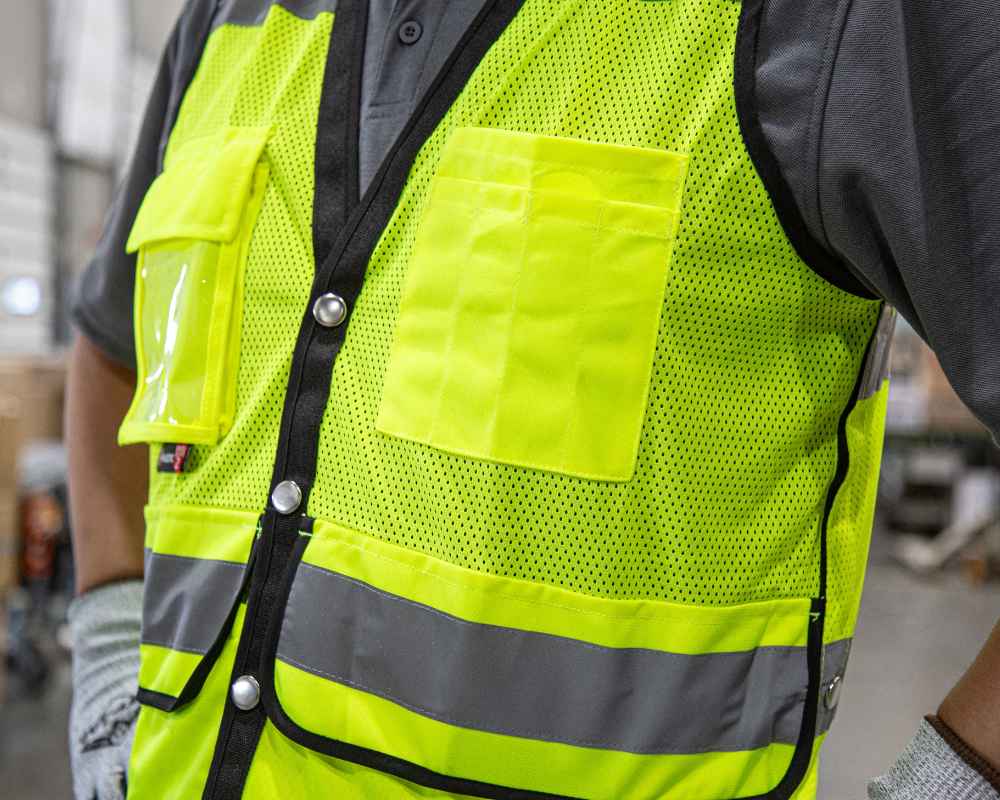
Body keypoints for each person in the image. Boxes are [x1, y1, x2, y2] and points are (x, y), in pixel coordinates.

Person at [66, 1, 1000, 798]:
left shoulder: (831, 22)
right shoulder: (230, 20)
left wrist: (951, 779)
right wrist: (108, 645)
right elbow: (112, 343)